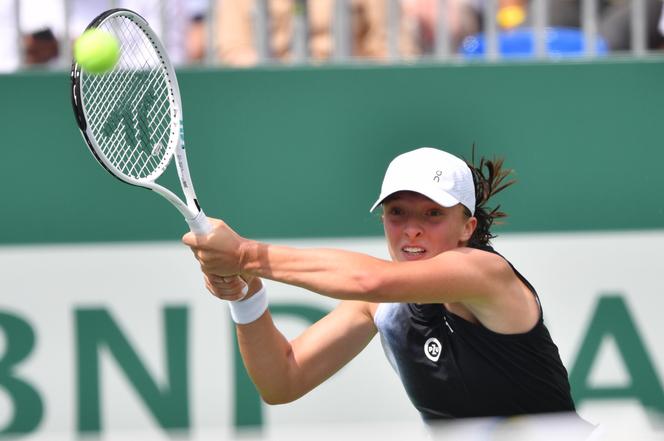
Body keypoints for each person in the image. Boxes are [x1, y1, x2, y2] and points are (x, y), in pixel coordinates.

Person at [183, 147, 576, 421]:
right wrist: (246, 292)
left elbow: (367, 279)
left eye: (432, 214)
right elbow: (282, 382)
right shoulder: (383, 308)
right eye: (397, 212)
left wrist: (244, 255)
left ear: (467, 227)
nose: (411, 230)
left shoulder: (484, 275)